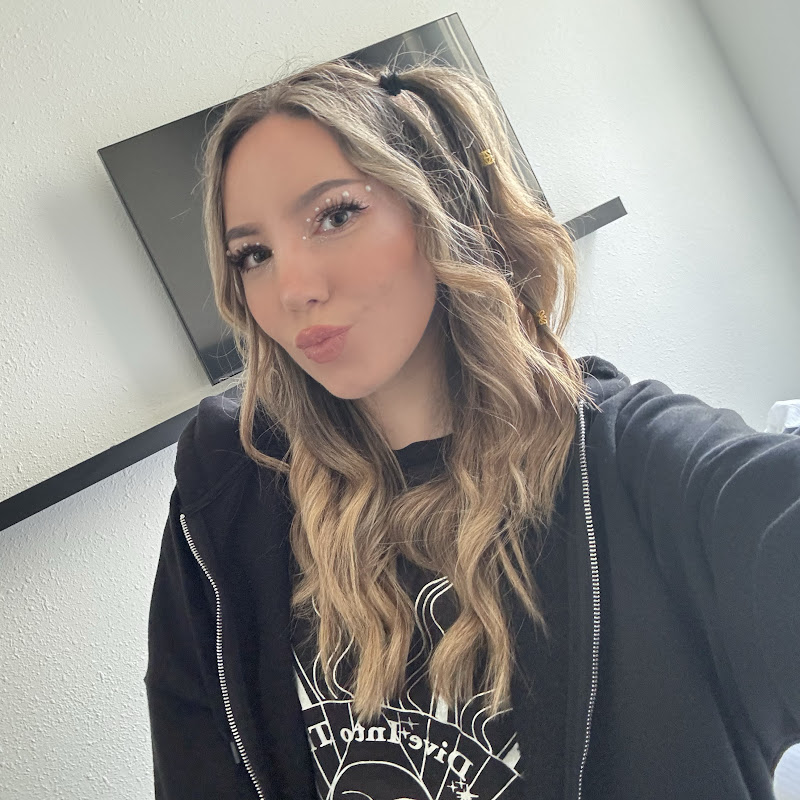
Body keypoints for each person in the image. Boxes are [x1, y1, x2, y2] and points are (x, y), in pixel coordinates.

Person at [144, 56, 800, 800]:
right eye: (253, 255)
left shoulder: (632, 463)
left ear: (437, 204)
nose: (293, 289)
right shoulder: (228, 489)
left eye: (335, 215)